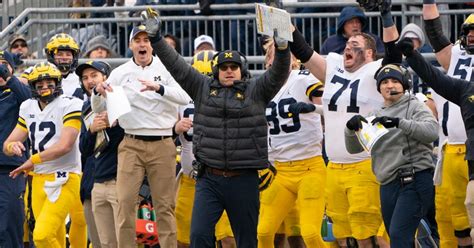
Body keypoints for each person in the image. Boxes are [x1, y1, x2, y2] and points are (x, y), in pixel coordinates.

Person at [141, 7, 290, 247]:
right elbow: (176, 65)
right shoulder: (201, 88)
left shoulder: (257, 90)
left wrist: (282, 49)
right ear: (216, 71)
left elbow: (279, 72)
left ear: (242, 70)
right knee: (198, 236)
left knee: (246, 240)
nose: (229, 71)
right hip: (209, 178)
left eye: (233, 67)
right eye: (223, 67)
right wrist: (157, 39)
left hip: (244, 178)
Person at [288, 1, 401, 246]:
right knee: (340, 235)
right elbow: (303, 50)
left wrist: (386, 16)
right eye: (348, 44)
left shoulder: (374, 70)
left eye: (356, 45)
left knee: (366, 236)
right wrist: (283, 20)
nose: (348, 47)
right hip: (334, 166)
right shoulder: (335, 67)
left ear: (370, 53)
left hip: (363, 164)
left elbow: (394, 55)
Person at [93, 24, 191, 248]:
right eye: (138, 40)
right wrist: (96, 93)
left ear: (153, 45)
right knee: (125, 203)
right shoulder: (120, 73)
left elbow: (186, 96)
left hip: (163, 142)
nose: (142, 44)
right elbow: (100, 106)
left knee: (164, 206)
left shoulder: (167, 68)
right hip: (131, 142)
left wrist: (159, 88)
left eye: (146, 40)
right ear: (130, 45)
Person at [344, 63, 438, 246]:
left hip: (414, 179)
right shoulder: (374, 114)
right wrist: (350, 129)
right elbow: (354, 148)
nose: (390, 85)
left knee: (398, 237)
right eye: (385, 82)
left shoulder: (415, 106)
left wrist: (398, 122)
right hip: (387, 184)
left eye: (395, 81)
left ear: (405, 84)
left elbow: (432, 131)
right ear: (379, 88)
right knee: (397, 237)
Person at [5, 62, 83, 248]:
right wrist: (12, 147)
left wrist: (33, 160)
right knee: (53, 237)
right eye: (39, 86)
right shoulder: (28, 107)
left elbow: (65, 145)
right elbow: (8, 143)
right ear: (32, 88)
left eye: (49, 83)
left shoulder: (70, 104)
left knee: (41, 236)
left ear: (57, 83)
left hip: (64, 177)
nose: (45, 88)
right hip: (39, 180)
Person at [257, 39, 327, 247]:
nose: (279, 58)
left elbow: (331, 108)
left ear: (293, 59)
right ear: (268, 61)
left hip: (309, 167)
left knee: (311, 234)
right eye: (274, 54)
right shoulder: (263, 86)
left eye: (284, 54)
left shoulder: (302, 78)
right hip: (279, 171)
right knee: (263, 232)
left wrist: (312, 109)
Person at [422, 1, 473, 244]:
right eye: (469, 32)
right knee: (453, 221)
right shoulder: (456, 56)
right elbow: (434, 32)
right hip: (451, 148)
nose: (472, 36)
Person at [174, 50, 235, 248]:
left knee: (227, 238)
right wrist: (174, 128)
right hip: (189, 179)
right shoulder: (179, 98)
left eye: (208, 76)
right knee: (183, 239)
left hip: (220, 178)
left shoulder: (231, 97)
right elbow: (163, 132)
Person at [45, 32, 88, 248]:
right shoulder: (42, 81)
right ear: (50, 55)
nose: (64, 58)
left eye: (67, 54)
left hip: (80, 153)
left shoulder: (83, 80)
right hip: (52, 154)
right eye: (59, 53)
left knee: (80, 217)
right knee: (56, 216)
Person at [77, 60, 123, 247]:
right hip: (91, 184)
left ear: (106, 77)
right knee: (99, 243)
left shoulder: (121, 100)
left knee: (124, 241)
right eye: (85, 78)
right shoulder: (86, 108)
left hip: (118, 180)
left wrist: (114, 122)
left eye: (94, 75)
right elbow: (84, 149)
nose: (89, 81)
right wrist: (91, 130)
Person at [0, 50, 31, 248]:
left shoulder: (19, 92)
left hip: (10, 170)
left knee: (9, 227)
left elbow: (31, 100)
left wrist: (9, 78)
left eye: (4, 63)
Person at [320, 6, 384, 55]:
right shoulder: (330, 43)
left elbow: (381, 58)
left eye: (358, 22)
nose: (355, 25)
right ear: (343, 25)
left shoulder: (373, 40)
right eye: (351, 22)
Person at [45, 33, 84, 100]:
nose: (64, 57)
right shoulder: (40, 72)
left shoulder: (82, 78)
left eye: (68, 55)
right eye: (60, 54)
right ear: (51, 56)